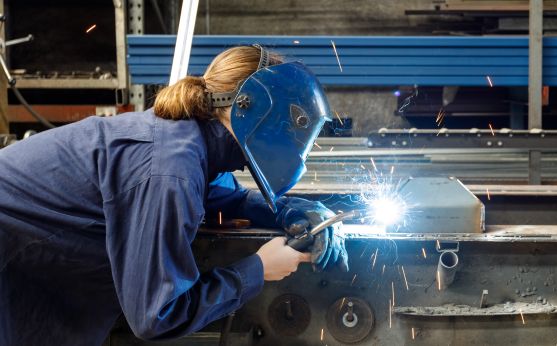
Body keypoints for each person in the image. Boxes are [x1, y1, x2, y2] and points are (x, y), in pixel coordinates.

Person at [0, 45, 348, 345]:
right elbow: (157, 315)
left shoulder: (185, 139)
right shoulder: (170, 168)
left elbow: (227, 198)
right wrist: (259, 269)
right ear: (253, 108)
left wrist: (286, 211)